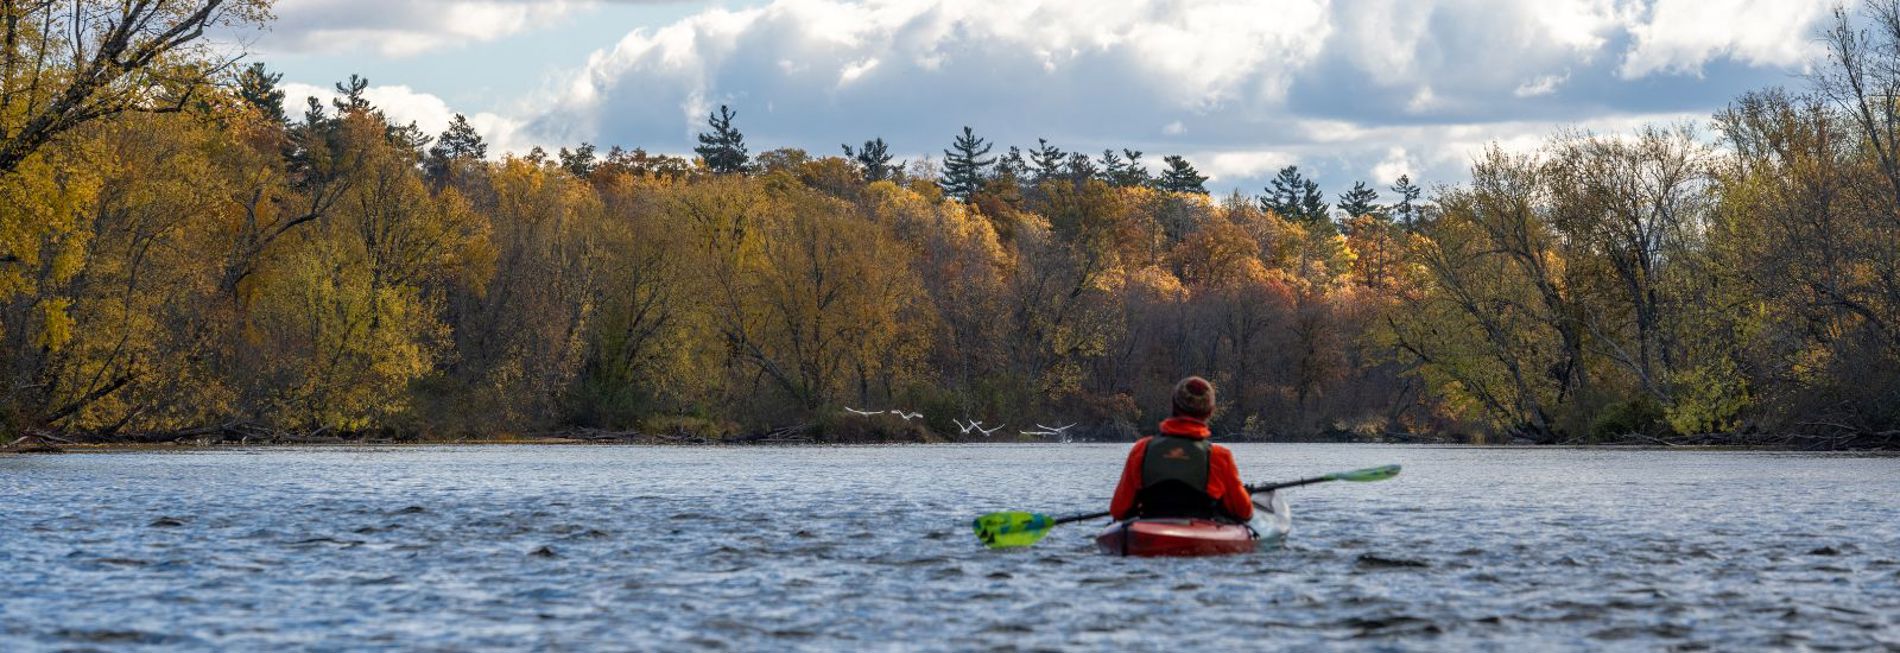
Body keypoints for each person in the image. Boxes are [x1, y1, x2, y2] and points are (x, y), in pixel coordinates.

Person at [1108, 376, 1253, 523]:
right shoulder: (1219, 456)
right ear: (1210, 412)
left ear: (1173, 405)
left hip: (1150, 531)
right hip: (1200, 535)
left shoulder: (1141, 449)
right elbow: (1244, 512)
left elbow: (1118, 510)